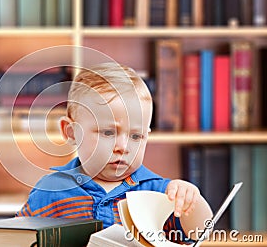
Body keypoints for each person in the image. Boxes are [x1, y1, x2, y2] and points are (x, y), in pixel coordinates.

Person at [16, 62, 212, 243]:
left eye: (136, 136)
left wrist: (191, 201)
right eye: (108, 132)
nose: (123, 147)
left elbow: (198, 231)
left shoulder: (159, 193)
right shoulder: (50, 191)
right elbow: (17, 239)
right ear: (71, 132)